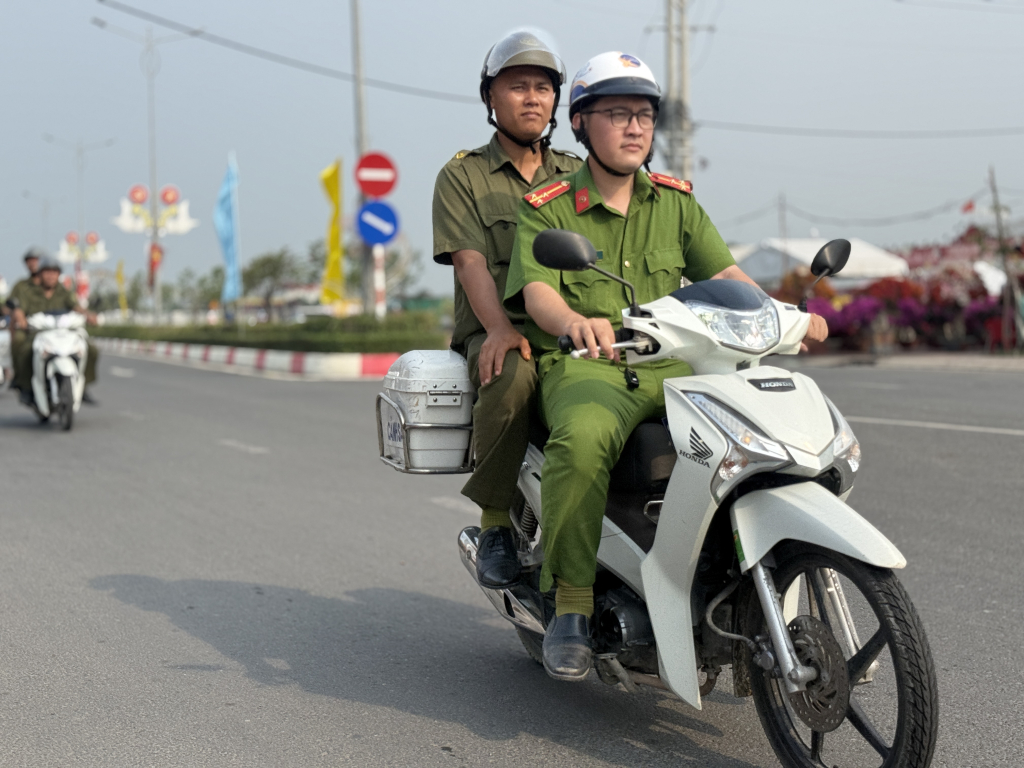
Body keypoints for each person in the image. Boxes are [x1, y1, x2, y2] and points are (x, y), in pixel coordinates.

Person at [503, 51, 829, 681]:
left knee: (749, 434)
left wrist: (785, 313)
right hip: (591, 366)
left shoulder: (676, 202)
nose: (635, 128)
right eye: (618, 113)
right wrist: (573, 322)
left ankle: (722, 572)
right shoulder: (547, 205)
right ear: (580, 123)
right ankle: (571, 602)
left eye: (645, 116)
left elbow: (726, 275)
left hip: (676, 364)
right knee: (584, 440)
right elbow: (540, 289)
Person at [432, 31, 583, 588]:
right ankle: (495, 523)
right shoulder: (463, 176)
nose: (532, 99)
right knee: (513, 372)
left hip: (569, 327)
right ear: (490, 98)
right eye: (517, 87)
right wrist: (496, 328)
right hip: (501, 329)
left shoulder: (576, 173)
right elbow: (471, 261)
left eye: (543, 88)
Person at [7, 258, 99, 405]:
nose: (50, 276)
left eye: (54, 272)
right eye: (47, 272)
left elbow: (75, 306)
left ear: (58, 275)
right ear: (40, 274)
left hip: (63, 332)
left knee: (90, 349)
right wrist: (21, 319)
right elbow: (19, 309)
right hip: (37, 333)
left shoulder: (63, 291)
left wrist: (89, 315)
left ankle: (82, 386)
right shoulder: (29, 291)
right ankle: (25, 387)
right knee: (25, 350)